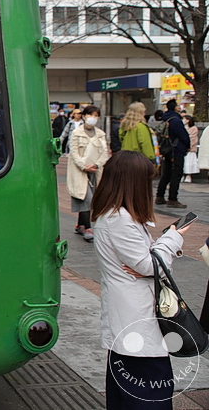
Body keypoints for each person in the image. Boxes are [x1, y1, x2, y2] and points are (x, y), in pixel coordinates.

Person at [93, 150, 189, 409]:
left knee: (127, 394)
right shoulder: (119, 219)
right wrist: (173, 237)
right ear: (133, 182)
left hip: (130, 319)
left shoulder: (115, 215)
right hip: (136, 321)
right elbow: (149, 265)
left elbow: (147, 263)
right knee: (147, 394)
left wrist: (156, 253)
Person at [67, 105, 109, 242]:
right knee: (86, 198)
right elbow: (73, 152)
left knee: (90, 197)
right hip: (81, 171)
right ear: (84, 116)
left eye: (96, 116)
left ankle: (80, 224)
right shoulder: (76, 133)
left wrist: (96, 165)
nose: (93, 118)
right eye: (91, 115)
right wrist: (84, 166)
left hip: (95, 171)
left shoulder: (100, 134)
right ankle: (87, 227)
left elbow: (104, 152)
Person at [155, 99, 192, 208]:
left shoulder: (166, 118)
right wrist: (188, 145)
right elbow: (183, 135)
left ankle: (160, 196)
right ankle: (172, 198)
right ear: (175, 107)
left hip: (167, 150)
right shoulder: (176, 120)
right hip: (176, 150)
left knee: (166, 173)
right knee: (176, 173)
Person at [182, 114, 199, 183]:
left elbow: (193, 138)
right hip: (183, 148)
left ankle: (189, 175)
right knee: (183, 162)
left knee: (189, 161)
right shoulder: (182, 127)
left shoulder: (193, 128)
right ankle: (182, 175)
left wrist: (189, 146)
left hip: (190, 149)